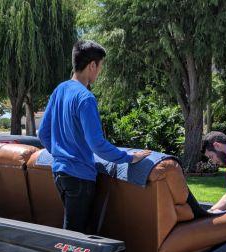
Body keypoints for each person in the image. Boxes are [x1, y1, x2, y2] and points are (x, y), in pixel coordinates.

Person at [38, 40, 151, 233]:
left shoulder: (59, 90)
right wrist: (129, 158)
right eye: (100, 67)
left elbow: (43, 133)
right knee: (76, 237)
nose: (99, 72)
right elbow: (97, 144)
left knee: (75, 231)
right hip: (79, 176)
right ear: (92, 65)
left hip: (59, 174)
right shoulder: (85, 98)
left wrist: (60, 154)